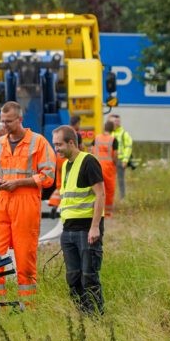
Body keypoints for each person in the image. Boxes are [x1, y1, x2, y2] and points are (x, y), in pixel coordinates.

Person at [0, 101, 56, 308]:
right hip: (2, 200)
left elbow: (48, 176)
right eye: (2, 121)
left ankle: (28, 307)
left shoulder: (38, 142)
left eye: (8, 121)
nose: (4, 125)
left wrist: (19, 183)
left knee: (25, 258)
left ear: (20, 120)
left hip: (26, 201)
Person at [51, 125, 105, 314]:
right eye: (54, 144)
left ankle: (96, 317)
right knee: (73, 278)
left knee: (89, 277)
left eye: (59, 145)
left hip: (86, 229)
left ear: (71, 142)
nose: (56, 149)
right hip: (68, 231)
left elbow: (100, 195)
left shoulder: (88, 161)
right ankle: (83, 316)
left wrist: (95, 227)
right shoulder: (65, 164)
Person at [91, 119, 120, 217]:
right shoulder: (113, 140)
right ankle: (107, 213)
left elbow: (91, 150)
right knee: (109, 190)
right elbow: (115, 155)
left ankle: (96, 211)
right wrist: (115, 163)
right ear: (112, 130)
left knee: (97, 190)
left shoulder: (97, 138)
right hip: (108, 168)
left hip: (96, 167)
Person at [108, 113, 134, 199]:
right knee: (109, 180)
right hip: (110, 161)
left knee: (120, 180)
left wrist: (125, 160)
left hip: (120, 160)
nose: (116, 123)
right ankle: (111, 197)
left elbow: (128, 147)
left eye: (117, 121)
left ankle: (122, 198)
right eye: (114, 121)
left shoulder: (124, 133)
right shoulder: (109, 133)